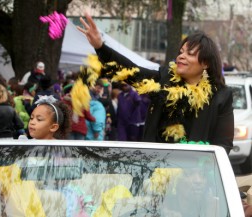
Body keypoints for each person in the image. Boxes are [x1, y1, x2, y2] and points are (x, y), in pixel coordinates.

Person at [76, 12, 234, 152]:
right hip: (156, 170)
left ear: (205, 63)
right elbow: (130, 71)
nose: (181, 56)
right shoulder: (163, 80)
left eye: (190, 54)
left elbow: (223, 145)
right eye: (181, 52)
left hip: (196, 177)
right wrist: (101, 47)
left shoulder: (221, 96)